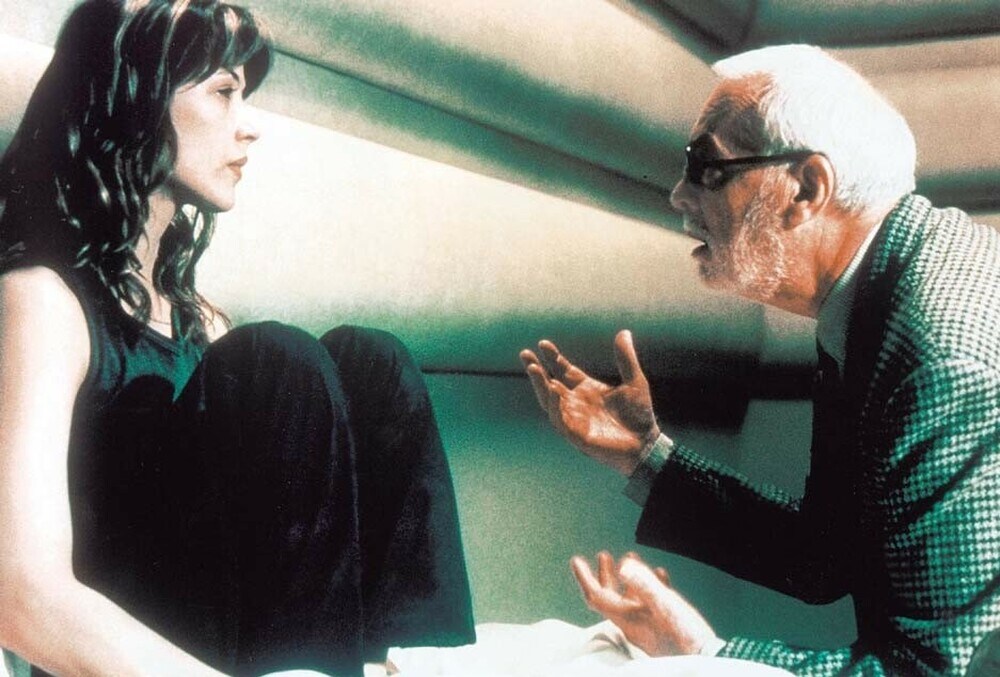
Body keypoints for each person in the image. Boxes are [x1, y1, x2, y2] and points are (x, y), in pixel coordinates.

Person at [0, 1, 474, 675]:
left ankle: (416, 663)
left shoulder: (197, 318)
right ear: (134, 99)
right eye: (223, 92)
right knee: (275, 359)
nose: (250, 125)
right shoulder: (42, 300)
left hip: (235, 642)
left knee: (373, 361)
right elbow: (22, 593)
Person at [521, 44, 1000, 675]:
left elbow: (932, 671)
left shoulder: (939, 356)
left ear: (806, 189)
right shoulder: (882, 284)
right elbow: (826, 555)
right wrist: (643, 456)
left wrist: (707, 656)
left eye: (706, 168)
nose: (678, 195)